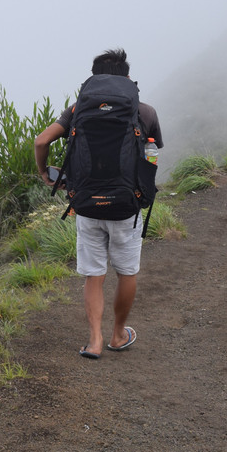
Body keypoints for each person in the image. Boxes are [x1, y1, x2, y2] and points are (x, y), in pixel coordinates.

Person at [34, 48, 163, 360]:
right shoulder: (144, 112)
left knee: (95, 275)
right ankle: (118, 335)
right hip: (126, 207)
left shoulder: (77, 109)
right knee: (127, 273)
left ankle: (94, 341)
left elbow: (41, 141)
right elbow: (153, 156)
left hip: (87, 207)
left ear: (94, 77)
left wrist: (45, 174)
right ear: (128, 78)